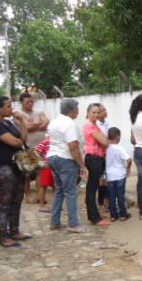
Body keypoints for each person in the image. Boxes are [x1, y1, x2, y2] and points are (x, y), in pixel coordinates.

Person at [0, 96, 31, 247]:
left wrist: (22, 121)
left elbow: (23, 138)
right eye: (8, 106)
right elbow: (16, 142)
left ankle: (14, 230)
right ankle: (3, 236)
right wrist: (20, 141)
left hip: (15, 166)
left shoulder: (8, 122)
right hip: (2, 167)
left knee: (17, 199)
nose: (12, 109)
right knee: (4, 202)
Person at [47, 99, 86, 233]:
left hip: (52, 157)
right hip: (65, 159)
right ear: (72, 110)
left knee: (60, 191)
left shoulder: (54, 121)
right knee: (70, 192)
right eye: (77, 108)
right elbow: (73, 147)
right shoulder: (69, 124)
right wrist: (81, 164)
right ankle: (73, 224)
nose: (78, 111)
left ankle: (55, 221)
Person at [19, 92, 50, 204]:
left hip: (41, 147)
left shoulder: (38, 112)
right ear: (21, 102)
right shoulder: (19, 114)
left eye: (32, 101)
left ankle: (39, 195)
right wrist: (38, 124)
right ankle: (28, 195)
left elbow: (46, 122)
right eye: (28, 102)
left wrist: (35, 125)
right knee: (27, 173)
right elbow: (28, 127)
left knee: (40, 172)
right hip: (28, 146)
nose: (30, 104)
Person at [82, 104, 110, 226]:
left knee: (93, 188)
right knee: (92, 188)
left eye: (98, 112)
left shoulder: (94, 125)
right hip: (93, 158)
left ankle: (94, 214)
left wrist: (104, 141)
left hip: (97, 158)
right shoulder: (89, 125)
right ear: (88, 113)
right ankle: (94, 217)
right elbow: (105, 141)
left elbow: (105, 142)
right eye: (93, 112)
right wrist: (104, 140)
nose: (96, 115)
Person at [105, 127, 132, 222]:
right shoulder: (120, 148)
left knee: (111, 196)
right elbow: (129, 160)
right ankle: (123, 215)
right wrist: (128, 168)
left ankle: (113, 215)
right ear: (118, 137)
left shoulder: (106, 148)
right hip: (120, 175)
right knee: (120, 195)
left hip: (109, 176)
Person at [35, 135, 54, 213]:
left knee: (56, 186)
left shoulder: (57, 142)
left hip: (55, 165)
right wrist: (41, 161)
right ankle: (42, 205)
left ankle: (55, 205)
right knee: (43, 186)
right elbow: (36, 151)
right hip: (47, 166)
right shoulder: (46, 142)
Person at [96, 104, 110, 208]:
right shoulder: (96, 125)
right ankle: (102, 201)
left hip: (108, 153)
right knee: (101, 179)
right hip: (99, 154)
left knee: (106, 178)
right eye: (103, 110)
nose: (105, 111)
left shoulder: (107, 123)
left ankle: (106, 201)